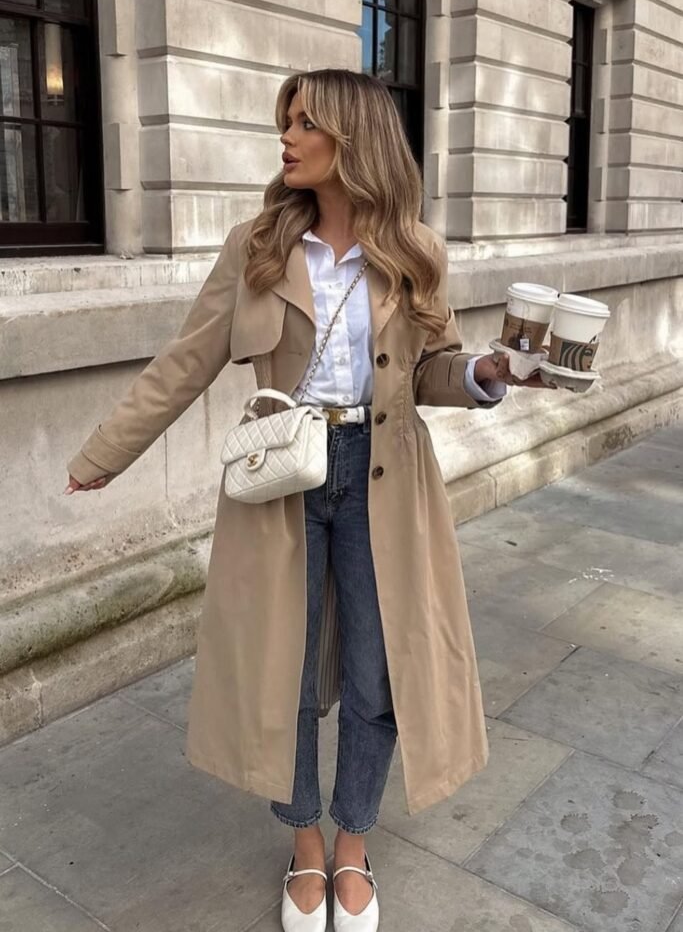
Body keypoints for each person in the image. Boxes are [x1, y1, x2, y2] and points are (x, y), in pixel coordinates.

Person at [65, 69, 547, 932]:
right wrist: (107, 453)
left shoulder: (413, 251)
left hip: (383, 477)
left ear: (350, 139)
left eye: (301, 124)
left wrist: (483, 373)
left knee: (377, 669)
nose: (284, 139)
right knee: (280, 671)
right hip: (281, 476)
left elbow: (434, 369)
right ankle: (305, 845)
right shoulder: (256, 246)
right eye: (284, 123)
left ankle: (354, 841)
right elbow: (186, 361)